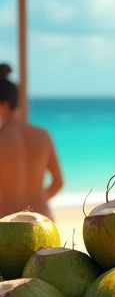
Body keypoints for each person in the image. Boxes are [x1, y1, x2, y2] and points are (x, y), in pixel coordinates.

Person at [0, 64, 63, 218]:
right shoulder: (42, 134)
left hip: (7, 226)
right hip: (42, 222)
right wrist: (36, 201)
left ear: (4, 103)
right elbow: (58, 183)